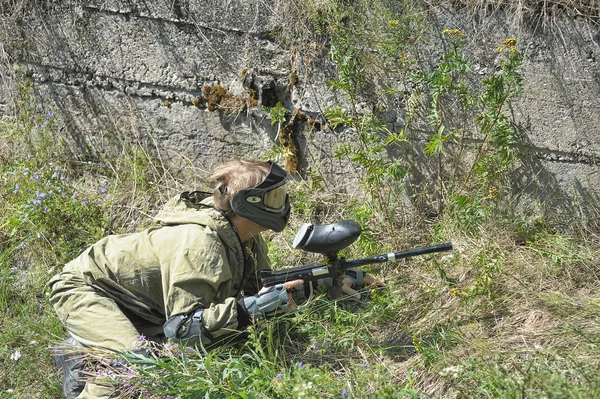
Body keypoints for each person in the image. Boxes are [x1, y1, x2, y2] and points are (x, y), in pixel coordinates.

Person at [49, 159, 304, 399]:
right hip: (86, 287)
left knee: (168, 355)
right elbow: (183, 329)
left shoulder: (245, 237)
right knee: (134, 364)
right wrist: (249, 309)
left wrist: (315, 286)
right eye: (272, 198)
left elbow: (263, 287)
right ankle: (92, 355)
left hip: (141, 303)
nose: (280, 206)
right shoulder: (200, 245)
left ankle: (83, 353)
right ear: (247, 204)